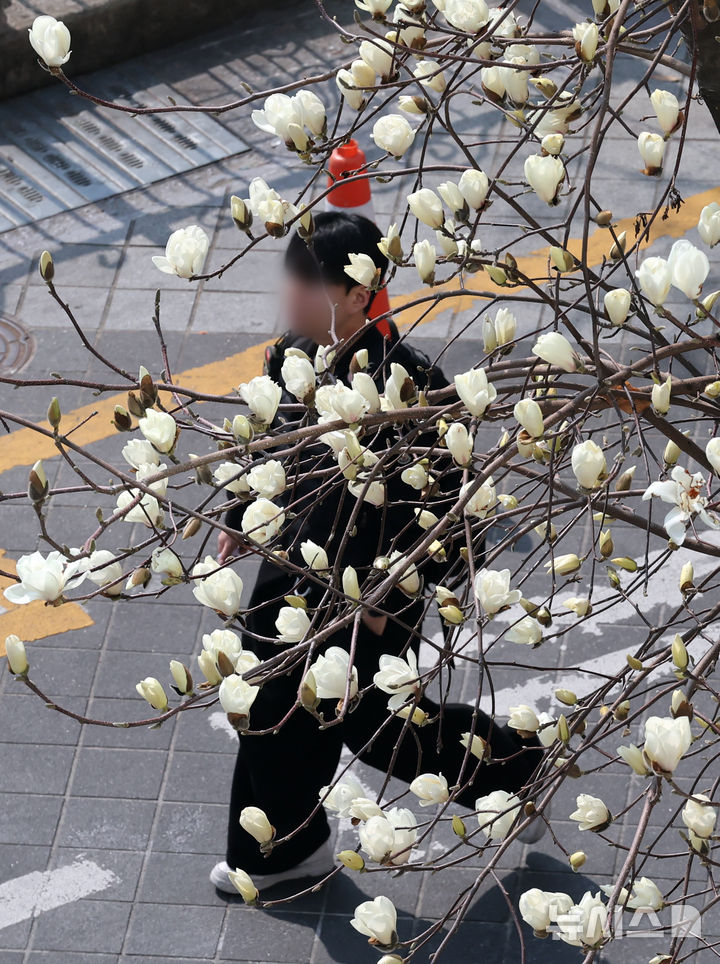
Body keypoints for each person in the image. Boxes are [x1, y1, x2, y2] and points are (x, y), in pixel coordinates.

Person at [210, 211, 543, 893]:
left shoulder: (413, 391)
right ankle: (281, 851)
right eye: (291, 274)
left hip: (373, 593)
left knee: (378, 725)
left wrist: (389, 597)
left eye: (309, 280)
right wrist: (241, 513)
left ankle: (512, 771)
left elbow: (454, 518)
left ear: (360, 292)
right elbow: (270, 449)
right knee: (271, 700)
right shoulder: (289, 357)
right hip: (295, 571)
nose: (291, 292)